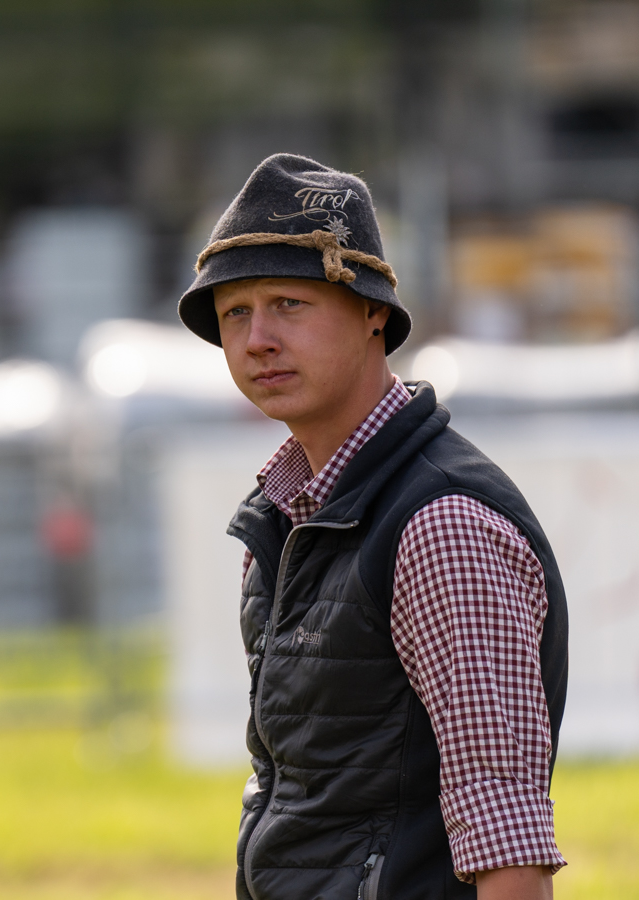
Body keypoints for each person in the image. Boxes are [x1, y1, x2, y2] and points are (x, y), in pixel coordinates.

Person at [176, 154, 568, 900]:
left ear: (373, 313)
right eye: (235, 313)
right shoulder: (285, 516)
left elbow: (508, 847)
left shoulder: (441, 524)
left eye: (289, 303)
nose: (257, 338)